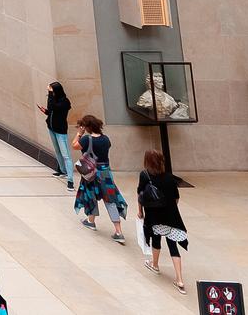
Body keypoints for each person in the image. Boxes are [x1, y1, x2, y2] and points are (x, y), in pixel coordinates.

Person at [138, 148, 188, 293]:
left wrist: (140, 211)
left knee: (156, 240)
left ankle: (155, 264)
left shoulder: (145, 175)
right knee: (173, 246)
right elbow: (176, 198)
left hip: (154, 215)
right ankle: (179, 279)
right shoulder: (169, 178)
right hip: (171, 216)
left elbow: (140, 194)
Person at [71, 114, 127, 242]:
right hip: (105, 173)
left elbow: (74, 145)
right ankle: (118, 231)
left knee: (90, 195)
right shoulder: (106, 139)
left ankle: (91, 221)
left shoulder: (86, 139)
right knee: (110, 200)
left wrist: (79, 133)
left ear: (87, 127)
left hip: (91, 173)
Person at [40, 81, 74, 184]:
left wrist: (50, 95)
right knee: (57, 150)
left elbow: (55, 107)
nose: (50, 93)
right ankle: (62, 171)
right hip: (52, 128)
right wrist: (46, 112)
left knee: (66, 155)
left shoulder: (64, 101)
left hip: (60, 131)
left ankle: (70, 179)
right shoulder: (54, 100)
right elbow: (51, 110)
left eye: (51, 91)